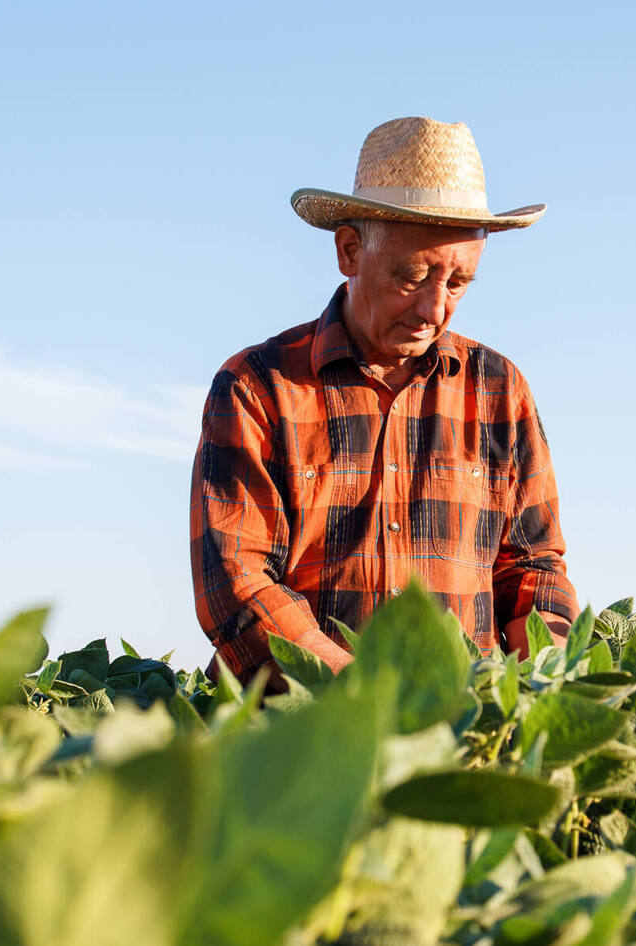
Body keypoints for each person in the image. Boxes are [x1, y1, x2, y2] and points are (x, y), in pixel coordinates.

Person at [190, 116, 579, 686]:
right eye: (413, 276)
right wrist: (362, 699)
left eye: (458, 283)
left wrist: (529, 689)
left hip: (458, 739)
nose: (434, 309)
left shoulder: (500, 390)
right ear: (349, 251)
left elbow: (534, 569)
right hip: (298, 738)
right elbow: (237, 583)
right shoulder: (259, 387)